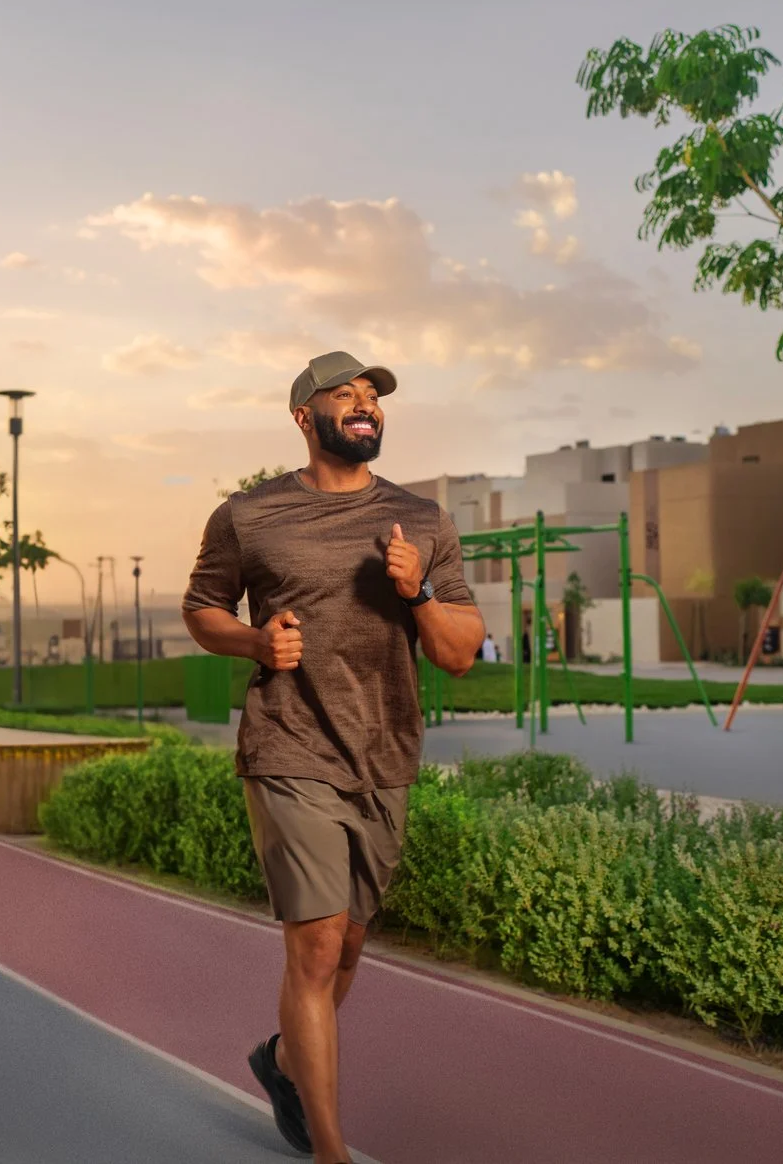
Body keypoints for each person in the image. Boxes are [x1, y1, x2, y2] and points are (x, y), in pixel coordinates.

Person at [182, 352, 485, 1164]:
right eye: (344, 395)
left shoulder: (422, 521)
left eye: (372, 397)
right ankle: (330, 1150)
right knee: (315, 945)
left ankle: (282, 1061)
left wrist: (416, 591)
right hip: (289, 742)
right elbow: (201, 606)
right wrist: (254, 640)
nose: (364, 406)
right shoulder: (250, 516)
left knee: (349, 945)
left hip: (384, 753)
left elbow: (461, 652)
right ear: (302, 416)